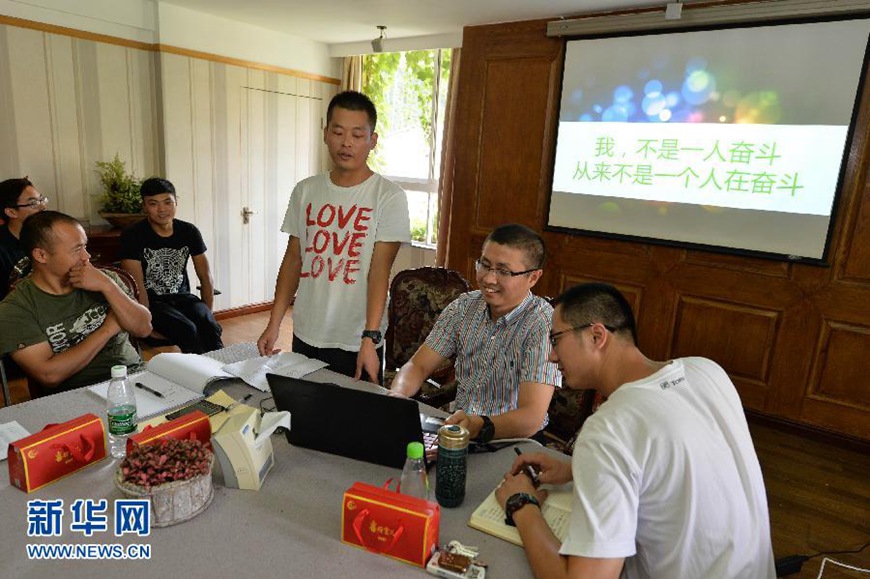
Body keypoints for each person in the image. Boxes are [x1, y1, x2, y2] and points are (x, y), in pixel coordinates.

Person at [497, 282, 776, 579]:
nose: (551, 356)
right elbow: (672, 461)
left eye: (555, 340)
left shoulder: (609, 427)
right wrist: (576, 468)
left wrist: (522, 505)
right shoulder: (706, 372)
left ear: (596, 335)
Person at [257, 90, 410, 383]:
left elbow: (379, 272)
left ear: (372, 141)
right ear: (326, 134)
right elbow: (293, 260)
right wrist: (274, 323)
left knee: (354, 421)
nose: (346, 142)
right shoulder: (306, 191)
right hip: (307, 332)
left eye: (357, 134)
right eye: (338, 132)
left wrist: (370, 336)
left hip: (356, 338)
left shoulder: (388, 196)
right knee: (307, 413)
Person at [390, 223, 561, 443]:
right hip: (460, 430)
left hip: (511, 439)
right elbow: (418, 365)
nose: (489, 279)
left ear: (533, 278)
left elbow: (531, 418)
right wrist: (397, 396)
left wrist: (480, 426)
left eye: (503, 271)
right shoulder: (464, 306)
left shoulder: (543, 324)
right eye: (485, 265)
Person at [0, 211, 151, 393]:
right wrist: (108, 329)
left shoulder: (104, 280)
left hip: (133, 378)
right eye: (77, 249)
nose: (86, 256)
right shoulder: (16, 308)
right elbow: (49, 376)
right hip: (74, 394)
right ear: (41, 255)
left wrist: (108, 286)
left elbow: (144, 328)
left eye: (85, 246)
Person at [119, 177, 223, 354]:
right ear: (144, 206)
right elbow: (137, 287)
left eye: (168, 202)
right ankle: (197, 374)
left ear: (176, 202)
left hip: (182, 297)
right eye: (153, 204)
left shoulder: (189, 231)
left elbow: (206, 276)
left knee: (207, 323)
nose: (162, 209)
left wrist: (208, 311)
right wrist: (146, 324)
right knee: (187, 329)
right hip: (153, 302)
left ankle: (224, 369)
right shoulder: (132, 235)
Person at [0, 177, 47, 300]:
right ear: (11, 212)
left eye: (41, 200)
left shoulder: (49, 236)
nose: (43, 207)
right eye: (33, 203)